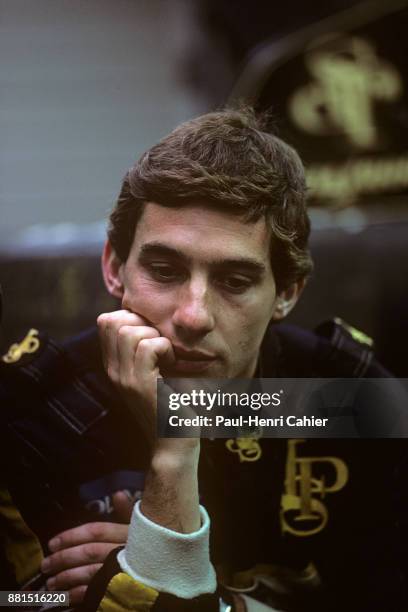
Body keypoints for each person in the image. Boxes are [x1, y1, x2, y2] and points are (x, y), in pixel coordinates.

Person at [0, 108, 406, 611]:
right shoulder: (27, 413)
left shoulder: (352, 401)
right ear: (114, 267)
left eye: (235, 281)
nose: (193, 316)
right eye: (165, 270)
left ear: (288, 293)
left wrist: (189, 581)